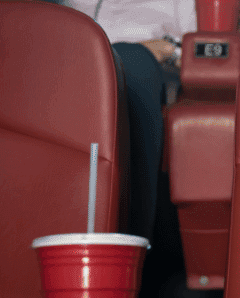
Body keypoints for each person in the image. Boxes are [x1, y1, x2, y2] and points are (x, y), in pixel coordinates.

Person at [60, 0, 196, 241]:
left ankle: (126, 248)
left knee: (133, 63)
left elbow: (198, 46)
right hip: (68, 59)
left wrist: (168, 49)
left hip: (141, 65)